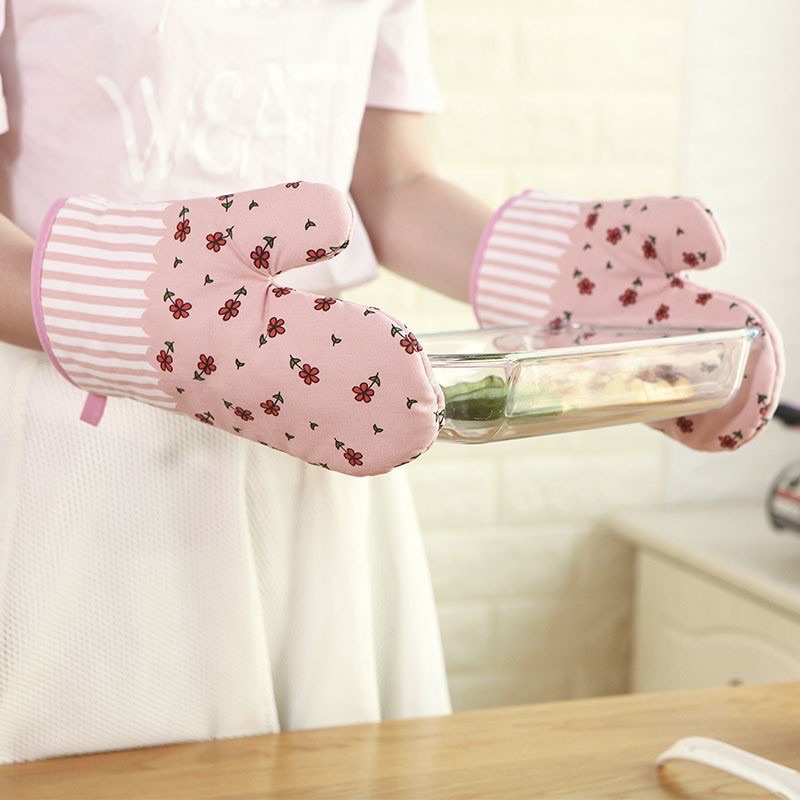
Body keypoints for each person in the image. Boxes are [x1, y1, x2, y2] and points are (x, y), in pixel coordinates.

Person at [0, 0, 782, 766]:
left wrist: (560, 284)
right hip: (86, 437)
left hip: (323, 411)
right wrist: (131, 305)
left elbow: (389, 184)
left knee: (342, 765)